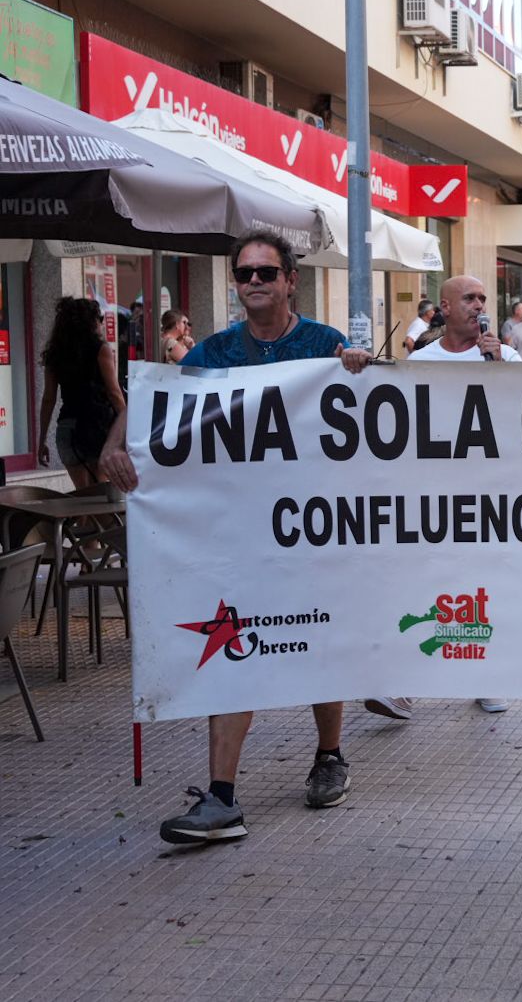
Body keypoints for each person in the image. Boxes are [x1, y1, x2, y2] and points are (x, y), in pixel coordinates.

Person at [96, 229, 372, 844]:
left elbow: (370, 408)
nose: (253, 283)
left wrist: (357, 368)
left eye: (265, 273)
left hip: (311, 527)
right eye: (243, 274)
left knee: (317, 640)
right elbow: (154, 401)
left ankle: (329, 755)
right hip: (236, 534)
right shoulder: (216, 351)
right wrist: (114, 444)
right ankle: (221, 798)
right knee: (230, 648)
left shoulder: (324, 343)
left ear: (289, 280)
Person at [368, 276, 516, 718]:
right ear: (445, 308)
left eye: (483, 299)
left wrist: (498, 368)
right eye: (469, 298)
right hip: (434, 491)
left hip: (491, 492)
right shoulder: (421, 360)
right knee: (428, 583)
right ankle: (404, 683)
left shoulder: (505, 357)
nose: (479, 305)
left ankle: (486, 676)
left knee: (481, 587)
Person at [38, 298, 128, 488]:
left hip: (67, 430)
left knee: (82, 495)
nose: (102, 324)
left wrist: (42, 439)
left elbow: (48, 399)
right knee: (100, 495)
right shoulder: (101, 350)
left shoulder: (55, 354)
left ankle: (81, 520)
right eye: (100, 319)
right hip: (96, 427)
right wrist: (128, 424)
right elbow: (114, 393)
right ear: (91, 322)